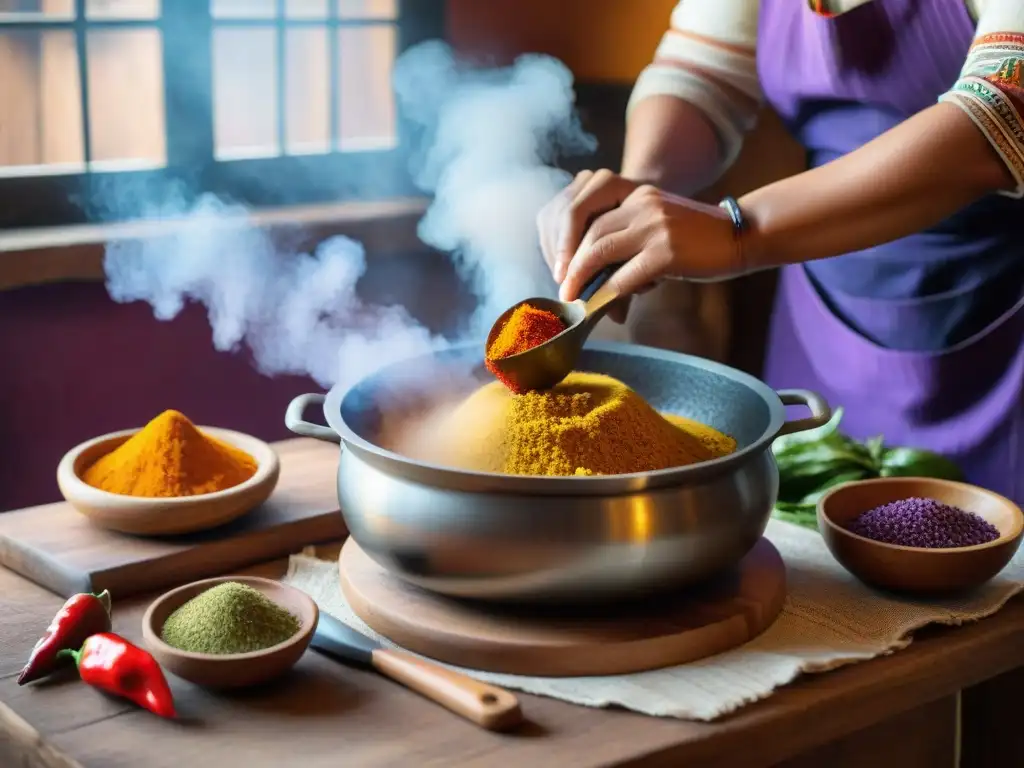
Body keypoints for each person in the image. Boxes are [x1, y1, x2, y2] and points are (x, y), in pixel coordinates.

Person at [536, 0, 1024, 504]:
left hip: (1001, 324)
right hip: (823, 312)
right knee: (813, 539)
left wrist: (739, 232)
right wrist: (641, 186)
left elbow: (1000, 115)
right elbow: (703, 73)